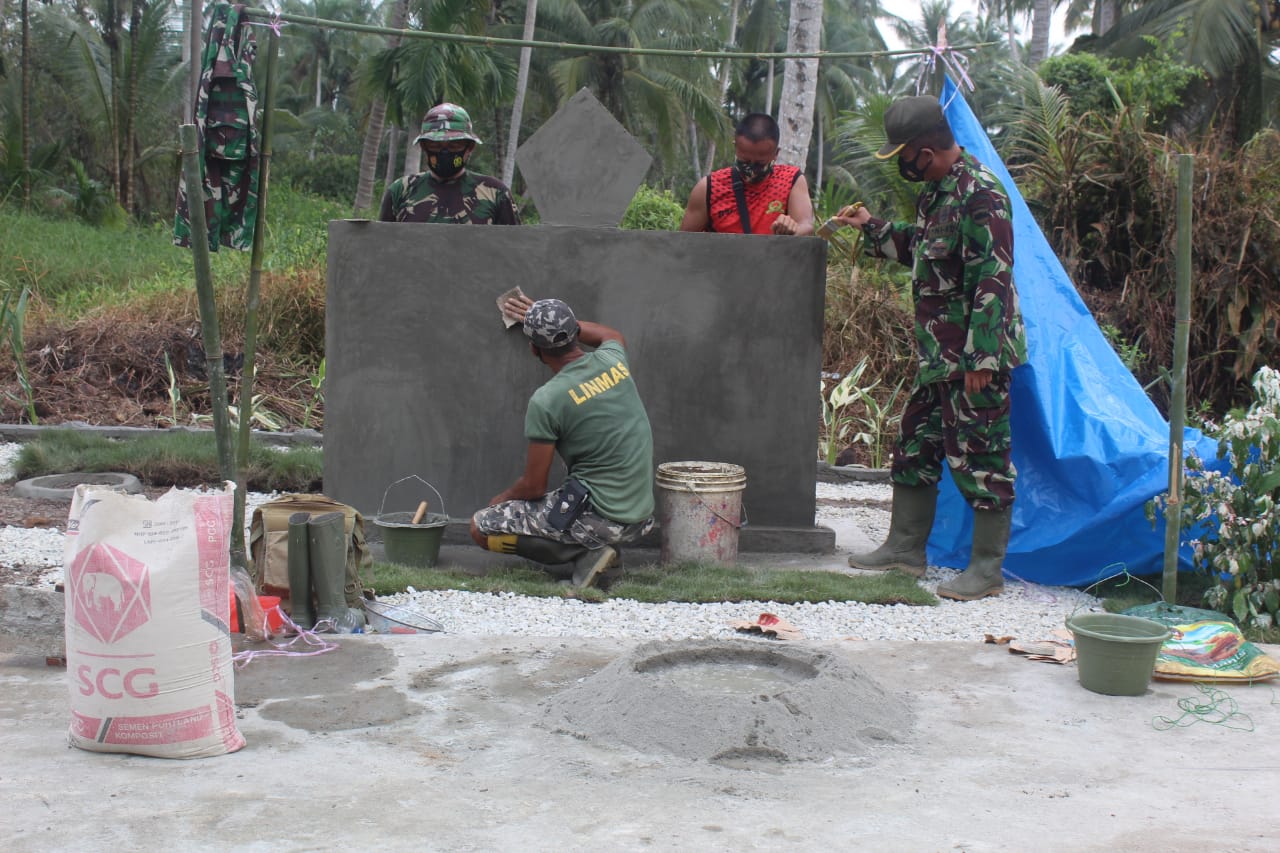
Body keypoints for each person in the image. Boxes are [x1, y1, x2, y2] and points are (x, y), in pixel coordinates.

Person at [832, 95, 1027, 602]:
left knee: (982, 456)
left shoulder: (982, 193)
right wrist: (872, 228)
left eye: (902, 153)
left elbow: (994, 276)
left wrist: (981, 359)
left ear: (923, 150)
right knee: (915, 447)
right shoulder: (937, 193)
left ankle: (986, 571)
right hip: (937, 357)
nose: (900, 163)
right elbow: (924, 250)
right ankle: (904, 548)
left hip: (970, 358)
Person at [470, 297, 656, 589]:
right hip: (641, 517)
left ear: (534, 349)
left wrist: (500, 500)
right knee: (567, 498)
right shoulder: (613, 360)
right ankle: (596, 546)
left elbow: (534, 487)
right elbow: (611, 334)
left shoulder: (547, 400)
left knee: (480, 527)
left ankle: (586, 553)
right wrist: (559, 322)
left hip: (603, 518)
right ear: (574, 335)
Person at [378, 102, 520, 225]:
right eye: (435, 145)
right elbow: (379, 247)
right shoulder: (400, 191)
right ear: (424, 147)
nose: (444, 153)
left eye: (454, 145)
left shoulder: (495, 193)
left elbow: (517, 248)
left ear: (470, 147)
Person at [679, 113, 814, 236]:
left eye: (760, 163)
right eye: (745, 161)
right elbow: (682, 243)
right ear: (736, 147)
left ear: (776, 154)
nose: (751, 169)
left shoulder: (790, 180)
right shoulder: (709, 187)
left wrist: (792, 230)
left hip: (773, 261)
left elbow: (806, 226)